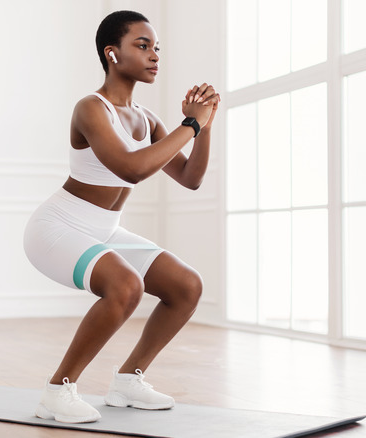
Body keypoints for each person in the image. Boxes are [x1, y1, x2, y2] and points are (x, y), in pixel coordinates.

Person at [23, 10, 220, 424]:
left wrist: (204, 126)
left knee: (186, 286)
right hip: (57, 229)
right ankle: (56, 392)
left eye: (156, 48)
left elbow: (191, 178)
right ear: (112, 54)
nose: (154, 56)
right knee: (126, 286)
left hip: (104, 230)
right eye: (143, 46)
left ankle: (129, 381)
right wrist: (190, 124)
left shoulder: (147, 119)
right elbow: (131, 169)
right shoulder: (90, 108)